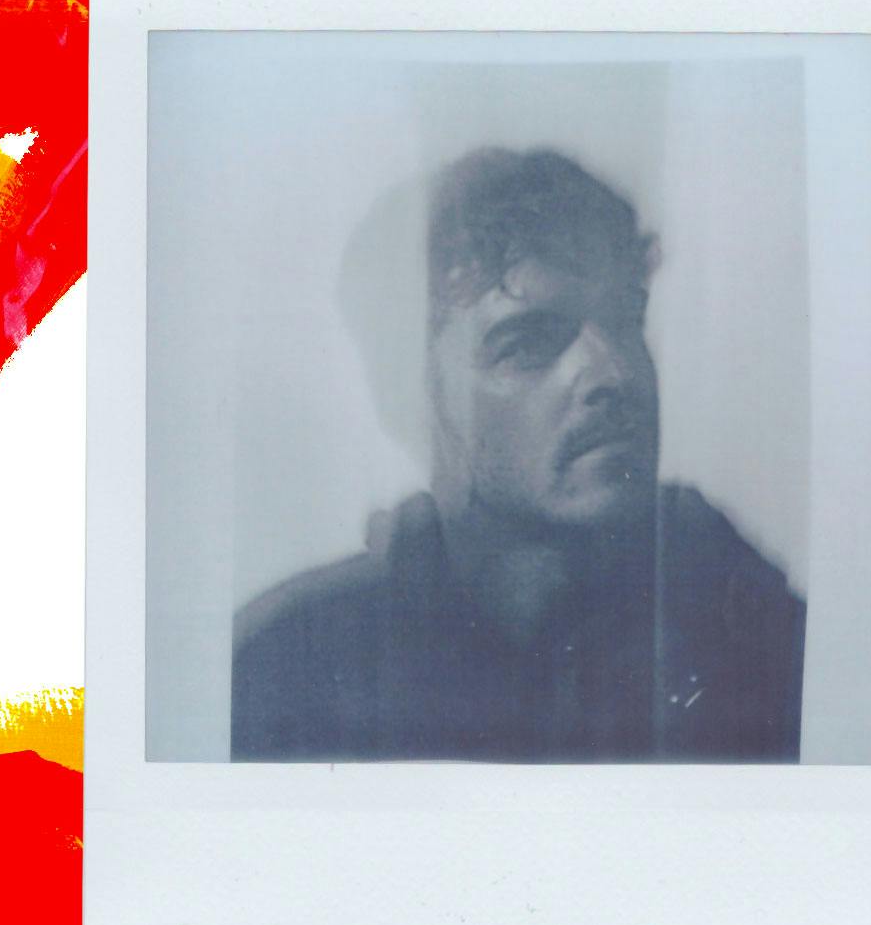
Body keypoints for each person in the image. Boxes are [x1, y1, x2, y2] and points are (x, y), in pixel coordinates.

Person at [232, 147, 804, 762]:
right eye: (528, 343)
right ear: (415, 399)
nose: (612, 373)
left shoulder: (757, 634)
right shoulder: (294, 670)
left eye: (625, 321)